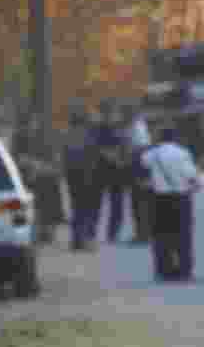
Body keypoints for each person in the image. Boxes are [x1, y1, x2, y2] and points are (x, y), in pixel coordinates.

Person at [141, 126, 201, 282]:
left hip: (158, 199)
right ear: (175, 138)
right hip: (180, 198)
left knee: (161, 236)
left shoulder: (150, 155)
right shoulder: (182, 153)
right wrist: (195, 185)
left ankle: (164, 271)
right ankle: (184, 271)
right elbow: (191, 174)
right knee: (183, 236)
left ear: (159, 138)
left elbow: (143, 167)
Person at [64, 101, 102, 252]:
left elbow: (66, 159)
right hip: (87, 177)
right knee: (87, 209)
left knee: (76, 208)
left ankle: (76, 240)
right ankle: (86, 239)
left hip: (73, 177)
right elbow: (93, 157)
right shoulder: (89, 136)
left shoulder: (67, 136)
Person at [94, 100, 133, 244]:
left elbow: (126, 145)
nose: (111, 115)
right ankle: (91, 232)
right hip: (103, 169)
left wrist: (124, 159)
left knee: (117, 203)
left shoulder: (119, 128)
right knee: (96, 203)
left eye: (111, 112)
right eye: (107, 112)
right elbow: (98, 148)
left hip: (118, 171)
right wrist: (114, 157)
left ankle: (112, 233)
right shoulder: (98, 129)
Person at [125, 102, 154, 245]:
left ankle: (144, 233)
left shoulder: (138, 127)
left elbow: (141, 149)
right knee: (138, 202)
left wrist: (140, 172)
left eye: (127, 111)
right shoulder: (133, 126)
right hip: (137, 167)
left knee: (140, 202)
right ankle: (142, 232)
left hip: (140, 168)